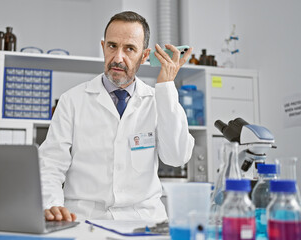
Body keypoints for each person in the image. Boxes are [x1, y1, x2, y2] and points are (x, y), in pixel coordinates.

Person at [40, 11, 194, 222]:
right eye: (112, 46)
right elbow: (50, 166)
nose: (118, 58)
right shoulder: (72, 101)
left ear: (144, 55)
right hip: (85, 220)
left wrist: (166, 87)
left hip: (144, 221)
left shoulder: (159, 100)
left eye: (130, 49)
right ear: (103, 46)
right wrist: (52, 206)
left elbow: (176, 157)